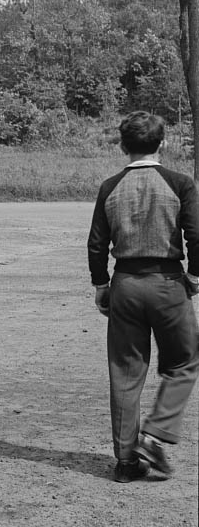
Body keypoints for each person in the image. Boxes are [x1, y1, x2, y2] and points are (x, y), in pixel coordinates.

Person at [87, 111, 199, 483]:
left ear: (123, 146)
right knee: (185, 362)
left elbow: (97, 244)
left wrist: (101, 284)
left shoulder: (110, 186)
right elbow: (196, 237)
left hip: (126, 283)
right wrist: (193, 278)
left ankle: (126, 460)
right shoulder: (180, 183)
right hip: (168, 282)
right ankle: (155, 433)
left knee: (125, 373)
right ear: (162, 143)